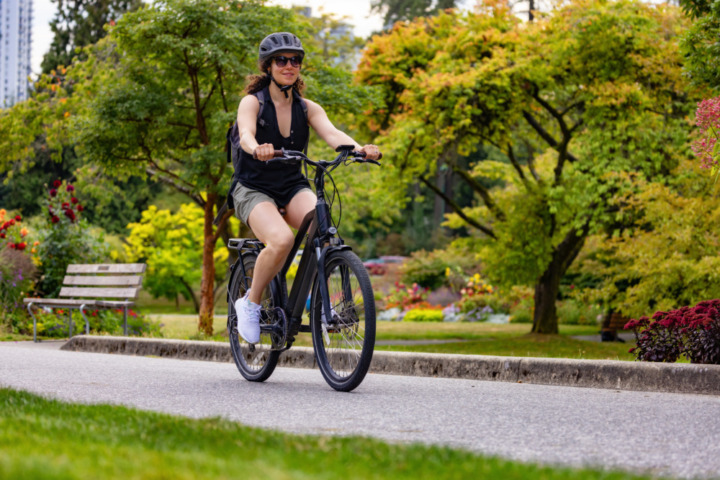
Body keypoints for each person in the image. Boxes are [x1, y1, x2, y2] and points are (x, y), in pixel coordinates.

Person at [233, 32, 380, 344]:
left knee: (324, 229)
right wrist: (256, 147)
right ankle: (251, 302)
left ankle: (319, 306)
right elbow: (245, 133)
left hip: (291, 184)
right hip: (253, 188)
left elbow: (332, 132)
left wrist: (359, 148)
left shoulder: (306, 107)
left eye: (295, 60)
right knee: (282, 239)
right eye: (282, 60)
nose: (290, 65)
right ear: (268, 66)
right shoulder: (252, 102)